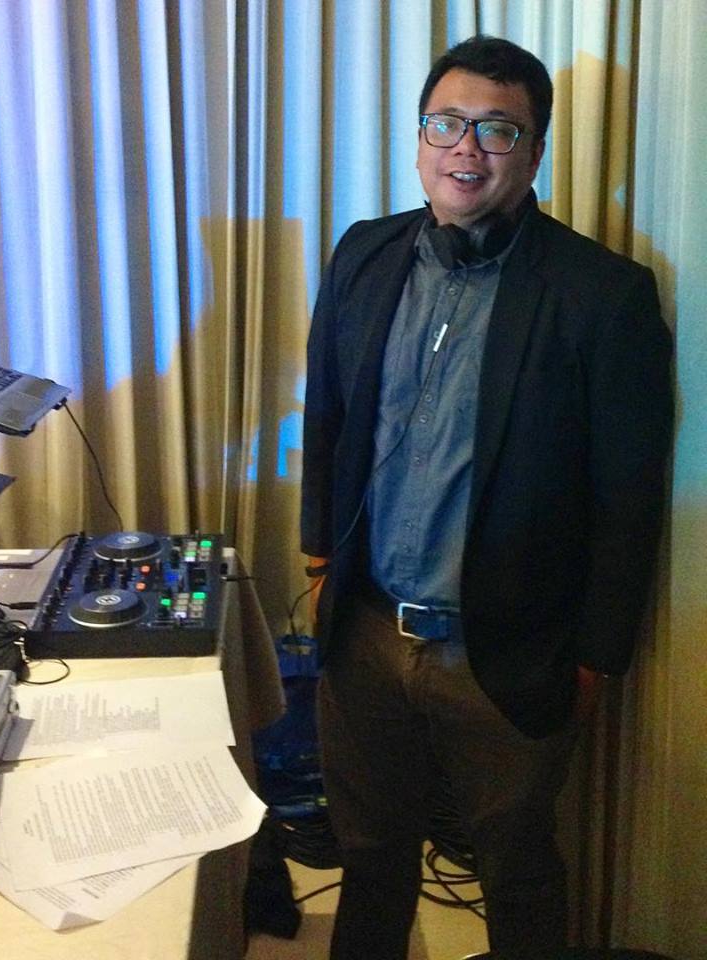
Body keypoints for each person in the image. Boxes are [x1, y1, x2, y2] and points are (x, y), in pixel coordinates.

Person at [300, 35, 673, 960]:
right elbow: (328, 417)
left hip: (506, 652)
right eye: (447, 124)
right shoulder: (363, 252)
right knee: (369, 855)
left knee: (517, 872)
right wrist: (318, 558)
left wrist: (596, 661)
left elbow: (628, 502)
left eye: (497, 130)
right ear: (419, 138)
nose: (466, 149)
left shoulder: (604, 296)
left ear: (534, 152)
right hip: (365, 632)